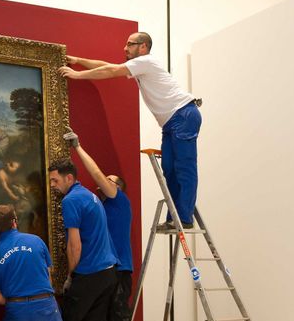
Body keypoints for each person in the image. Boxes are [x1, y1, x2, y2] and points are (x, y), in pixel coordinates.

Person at [58, 32, 202, 229]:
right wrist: (79, 60)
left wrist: (77, 74)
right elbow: (106, 65)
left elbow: (111, 70)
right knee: (169, 169)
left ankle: (184, 218)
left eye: (130, 44)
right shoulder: (140, 67)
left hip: (183, 115)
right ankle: (175, 217)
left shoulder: (146, 62)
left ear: (143, 47)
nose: (125, 49)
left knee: (184, 169)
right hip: (171, 122)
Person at [63, 130, 139, 321]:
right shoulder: (96, 206)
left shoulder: (119, 202)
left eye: (111, 182)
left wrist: (78, 148)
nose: (104, 183)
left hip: (118, 273)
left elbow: (95, 176)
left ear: (118, 189)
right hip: (102, 274)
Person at [48, 160, 117, 321]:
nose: (53, 186)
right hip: (108, 273)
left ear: (69, 178)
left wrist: (69, 276)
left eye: (55, 180)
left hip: (89, 274)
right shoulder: (89, 195)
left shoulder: (71, 201)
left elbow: (74, 245)